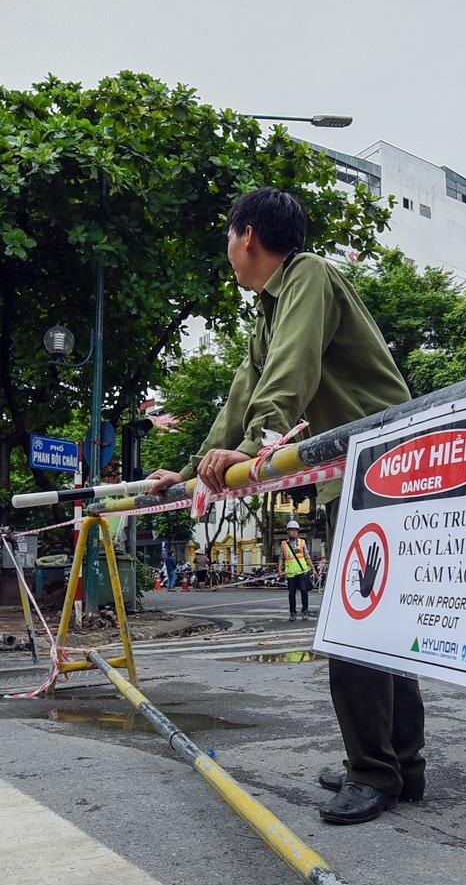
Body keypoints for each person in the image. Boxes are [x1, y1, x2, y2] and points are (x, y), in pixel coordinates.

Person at [145, 187, 419, 825]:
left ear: (246, 237)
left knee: (358, 622)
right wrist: (194, 470)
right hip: (355, 474)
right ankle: (400, 766)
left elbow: (286, 379)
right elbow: (243, 395)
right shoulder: (267, 312)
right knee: (380, 623)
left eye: (227, 240)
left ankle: (375, 770)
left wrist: (250, 448)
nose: (227, 252)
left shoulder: (309, 276)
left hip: (387, 469)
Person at [279, 518, 313, 621]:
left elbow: (307, 556)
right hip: (290, 573)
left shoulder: (302, 542)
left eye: (295, 530)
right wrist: (280, 569)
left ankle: (305, 611)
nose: (294, 532)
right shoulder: (284, 544)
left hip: (302, 571)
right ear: (288, 531)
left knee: (304, 591)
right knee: (291, 594)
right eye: (292, 530)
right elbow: (281, 558)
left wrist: (313, 569)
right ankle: (292, 613)